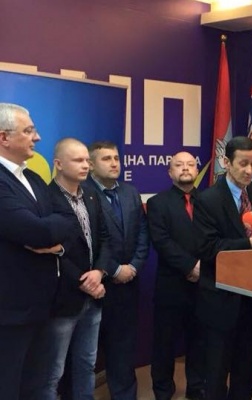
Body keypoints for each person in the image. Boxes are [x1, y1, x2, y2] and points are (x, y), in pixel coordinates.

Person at [0, 103, 73, 400]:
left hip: (43, 306)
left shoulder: (33, 178)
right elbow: (36, 231)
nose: (38, 137)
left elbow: (68, 218)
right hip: (9, 312)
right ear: (4, 137)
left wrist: (54, 240)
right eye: (29, 131)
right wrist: (47, 232)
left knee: (37, 385)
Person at [35, 138, 112, 400]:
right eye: (78, 160)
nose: (86, 166)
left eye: (87, 161)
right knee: (52, 372)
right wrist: (83, 281)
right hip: (63, 299)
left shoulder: (91, 194)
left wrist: (99, 272)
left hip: (94, 295)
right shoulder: (45, 198)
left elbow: (105, 238)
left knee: (86, 364)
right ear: (58, 164)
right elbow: (50, 249)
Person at [193, 136, 252, 400]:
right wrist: (249, 243)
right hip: (220, 299)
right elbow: (208, 248)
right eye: (243, 164)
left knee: (246, 372)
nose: (249, 171)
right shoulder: (208, 199)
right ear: (226, 162)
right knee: (216, 373)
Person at [86, 141, 150, 400]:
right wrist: (113, 270)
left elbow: (142, 232)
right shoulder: (83, 192)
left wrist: (133, 266)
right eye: (106, 159)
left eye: (116, 158)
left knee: (123, 349)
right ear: (91, 165)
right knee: (86, 352)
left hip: (128, 285)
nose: (114, 163)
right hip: (95, 285)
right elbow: (89, 240)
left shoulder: (130, 192)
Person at [147, 151, 206, 400]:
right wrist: (190, 266)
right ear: (170, 172)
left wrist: (203, 267)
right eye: (179, 165)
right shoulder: (157, 203)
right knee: (164, 343)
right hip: (171, 286)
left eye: (190, 164)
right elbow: (161, 241)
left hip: (204, 284)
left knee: (200, 341)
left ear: (197, 170)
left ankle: (197, 387)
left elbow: (213, 238)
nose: (185, 168)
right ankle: (163, 390)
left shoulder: (209, 201)